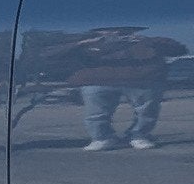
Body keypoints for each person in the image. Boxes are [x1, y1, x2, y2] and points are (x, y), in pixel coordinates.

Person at [58, 26, 187, 150]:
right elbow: (53, 55)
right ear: (100, 31)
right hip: (96, 80)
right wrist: (81, 44)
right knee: (96, 113)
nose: (116, 33)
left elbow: (180, 50)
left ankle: (139, 135)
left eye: (123, 30)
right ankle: (102, 138)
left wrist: (147, 41)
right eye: (110, 30)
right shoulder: (87, 44)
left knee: (147, 110)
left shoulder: (149, 42)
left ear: (132, 31)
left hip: (142, 80)